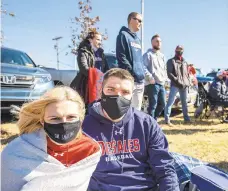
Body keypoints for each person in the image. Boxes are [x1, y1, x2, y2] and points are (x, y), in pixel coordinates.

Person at [83, 68, 179, 191]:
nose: (118, 96)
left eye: (125, 92)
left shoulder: (147, 124)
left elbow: (165, 168)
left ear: (131, 95)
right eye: (111, 90)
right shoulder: (84, 127)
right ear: (101, 91)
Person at [1, 86, 101, 191]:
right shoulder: (16, 151)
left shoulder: (90, 150)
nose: (64, 124)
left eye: (71, 117)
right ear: (42, 121)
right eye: (55, 118)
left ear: (80, 119)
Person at [116, 12, 145, 110]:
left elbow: (140, 60)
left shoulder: (138, 40)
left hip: (140, 80)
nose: (141, 23)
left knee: (137, 110)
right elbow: (122, 57)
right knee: (126, 110)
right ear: (131, 19)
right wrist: (131, 74)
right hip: (130, 79)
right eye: (139, 20)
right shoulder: (123, 35)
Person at [70, 30, 108, 105]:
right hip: (86, 85)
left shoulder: (101, 53)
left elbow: (106, 69)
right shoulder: (83, 51)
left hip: (100, 84)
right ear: (90, 40)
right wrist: (98, 76)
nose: (100, 42)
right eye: (97, 39)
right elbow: (83, 68)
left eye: (101, 40)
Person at [165, 45, 191, 125]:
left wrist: (187, 82)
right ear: (175, 50)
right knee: (170, 102)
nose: (179, 51)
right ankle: (167, 119)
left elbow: (187, 74)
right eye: (178, 49)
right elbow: (169, 74)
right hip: (175, 84)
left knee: (184, 103)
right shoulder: (171, 61)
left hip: (184, 85)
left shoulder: (185, 62)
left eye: (181, 49)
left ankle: (186, 119)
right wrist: (177, 81)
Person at [143, 34, 167, 120]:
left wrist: (165, 79)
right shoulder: (148, 54)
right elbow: (143, 67)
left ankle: (153, 120)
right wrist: (150, 78)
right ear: (152, 42)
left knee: (162, 104)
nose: (159, 43)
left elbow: (164, 69)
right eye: (157, 41)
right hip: (152, 84)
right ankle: (151, 123)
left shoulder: (162, 56)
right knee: (153, 104)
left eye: (160, 41)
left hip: (161, 84)